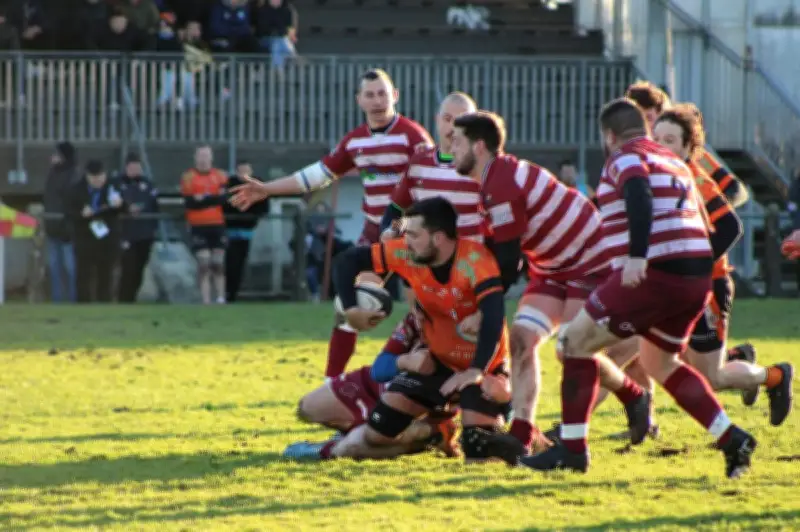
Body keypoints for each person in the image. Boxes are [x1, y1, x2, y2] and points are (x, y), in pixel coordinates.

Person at [510, 98, 757, 478]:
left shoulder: (624, 157)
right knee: (661, 363)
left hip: (653, 272)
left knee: (572, 343)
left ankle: (573, 450)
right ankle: (731, 437)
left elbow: (638, 192)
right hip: (695, 275)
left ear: (609, 136)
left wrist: (638, 255)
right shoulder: (674, 161)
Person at [577, 104, 794, 435]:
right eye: (657, 138)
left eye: (671, 140)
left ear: (689, 148)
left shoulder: (691, 177)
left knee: (712, 377)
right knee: (619, 352)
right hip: (660, 285)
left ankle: (773, 376)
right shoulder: (646, 170)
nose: (662, 146)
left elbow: (730, 228)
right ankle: (576, 430)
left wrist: (691, 267)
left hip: (704, 287)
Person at [448, 111, 632, 455]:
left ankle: (630, 398)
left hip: (589, 262)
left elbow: (507, 261)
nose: (449, 148)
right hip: (552, 269)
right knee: (521, 340)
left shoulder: (500, 182)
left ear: (479, 146)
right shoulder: (489, 183)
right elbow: (494, 253)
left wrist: (480, 308)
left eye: (456, 141)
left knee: (570, 349)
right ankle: (522, 433)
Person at [230, 69, 433, 379]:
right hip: (375, 235)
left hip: (416, 236)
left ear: (395, 96)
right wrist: (266, 188)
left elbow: (431, 186)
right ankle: (331, 383)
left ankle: (428, 382)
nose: (377, 100)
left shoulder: (414, 137)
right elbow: (314, 176)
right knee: (350, 306)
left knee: (427, 314)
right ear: (359, 100)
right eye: (370, 94)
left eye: (382, 93)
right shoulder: (355, 142)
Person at [317, 197, 512, 462]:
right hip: (436, 363)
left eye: (414, 235)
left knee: (479, 451)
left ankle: (530, 437)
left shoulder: (476, 261)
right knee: (379, 431)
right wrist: (351, 309)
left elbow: (494, 315)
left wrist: (477, 371)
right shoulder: (408, 253)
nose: (406, 241)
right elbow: (345, 262)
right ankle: (435, 434)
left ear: (439, 238)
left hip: (484, 367)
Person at [283, 311, 511, 460]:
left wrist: (501, 399)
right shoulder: (418, 316)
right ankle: (364, 428)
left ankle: (430, 435)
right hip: (378, 388)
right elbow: (380, 369)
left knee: (351, 448)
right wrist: (406, 361)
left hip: (419, 407)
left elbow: (499, 395)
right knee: (307, 408)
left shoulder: (480, 326)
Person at [380, 92, 482, 243]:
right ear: (437, 120)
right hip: (426, 262)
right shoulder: (418, 163)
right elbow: (399, 213)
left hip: (470, 262)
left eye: (461, 121)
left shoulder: (482, 167)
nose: (453, 127)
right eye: (447, 119)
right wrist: (392, 230)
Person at [67, 160, 124, 303]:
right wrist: (81, 213)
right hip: (85, 238)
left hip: (107, 238)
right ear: (87, 176)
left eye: (101, 176)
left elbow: (124, 207)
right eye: (94, 177)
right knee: (83, 274)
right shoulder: (76, 190)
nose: (98, 180)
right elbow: (68, 212)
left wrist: (120, 204)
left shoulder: (113, 187)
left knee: (105, 274)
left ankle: (104, 303)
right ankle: (83, 304)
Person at [181, 145, 228, 304]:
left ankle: (221, 298)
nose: (203, 159)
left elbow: (223, 199)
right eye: (200, 156)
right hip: (198, 225)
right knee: (204, 263)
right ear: (195, 158)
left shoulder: (220, 175)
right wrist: (210, 199)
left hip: (217, 224)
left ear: (211, 157)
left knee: (218, 262)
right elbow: (190, 203)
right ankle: (206, 300)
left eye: (206, 156)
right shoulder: (188, 177)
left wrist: (203, 199)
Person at [116, 153, 160, 303]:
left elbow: (155, 207)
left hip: (145, 234)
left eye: (137, 167)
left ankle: (132, 297)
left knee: (140, 268)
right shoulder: (117, 184)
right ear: (126, 167)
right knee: (128, 268)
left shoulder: (148, 184)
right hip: (126, 234)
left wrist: (154, 229)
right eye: (131, 167)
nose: (134, 170)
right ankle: (123, 299)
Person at [223, 160, 269, 302]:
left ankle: (233, 294)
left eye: (247, 171)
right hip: (229, 231)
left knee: (240, 263)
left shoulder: (258, 186)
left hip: (246, 231)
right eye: (241, 171)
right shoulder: (229, 186)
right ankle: (226, 294)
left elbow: (263, 207)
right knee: (228, 263)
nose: (244, 175)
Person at [42, 142, 79, 303]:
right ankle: (56, 300)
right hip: (52, 227)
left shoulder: (73, 175)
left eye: (56, 154)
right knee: (54, 267)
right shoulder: (52, 174)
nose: (52, 157)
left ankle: (73, 299)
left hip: (67, 230)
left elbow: (71, 203)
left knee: (71, 268)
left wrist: (67, 225)